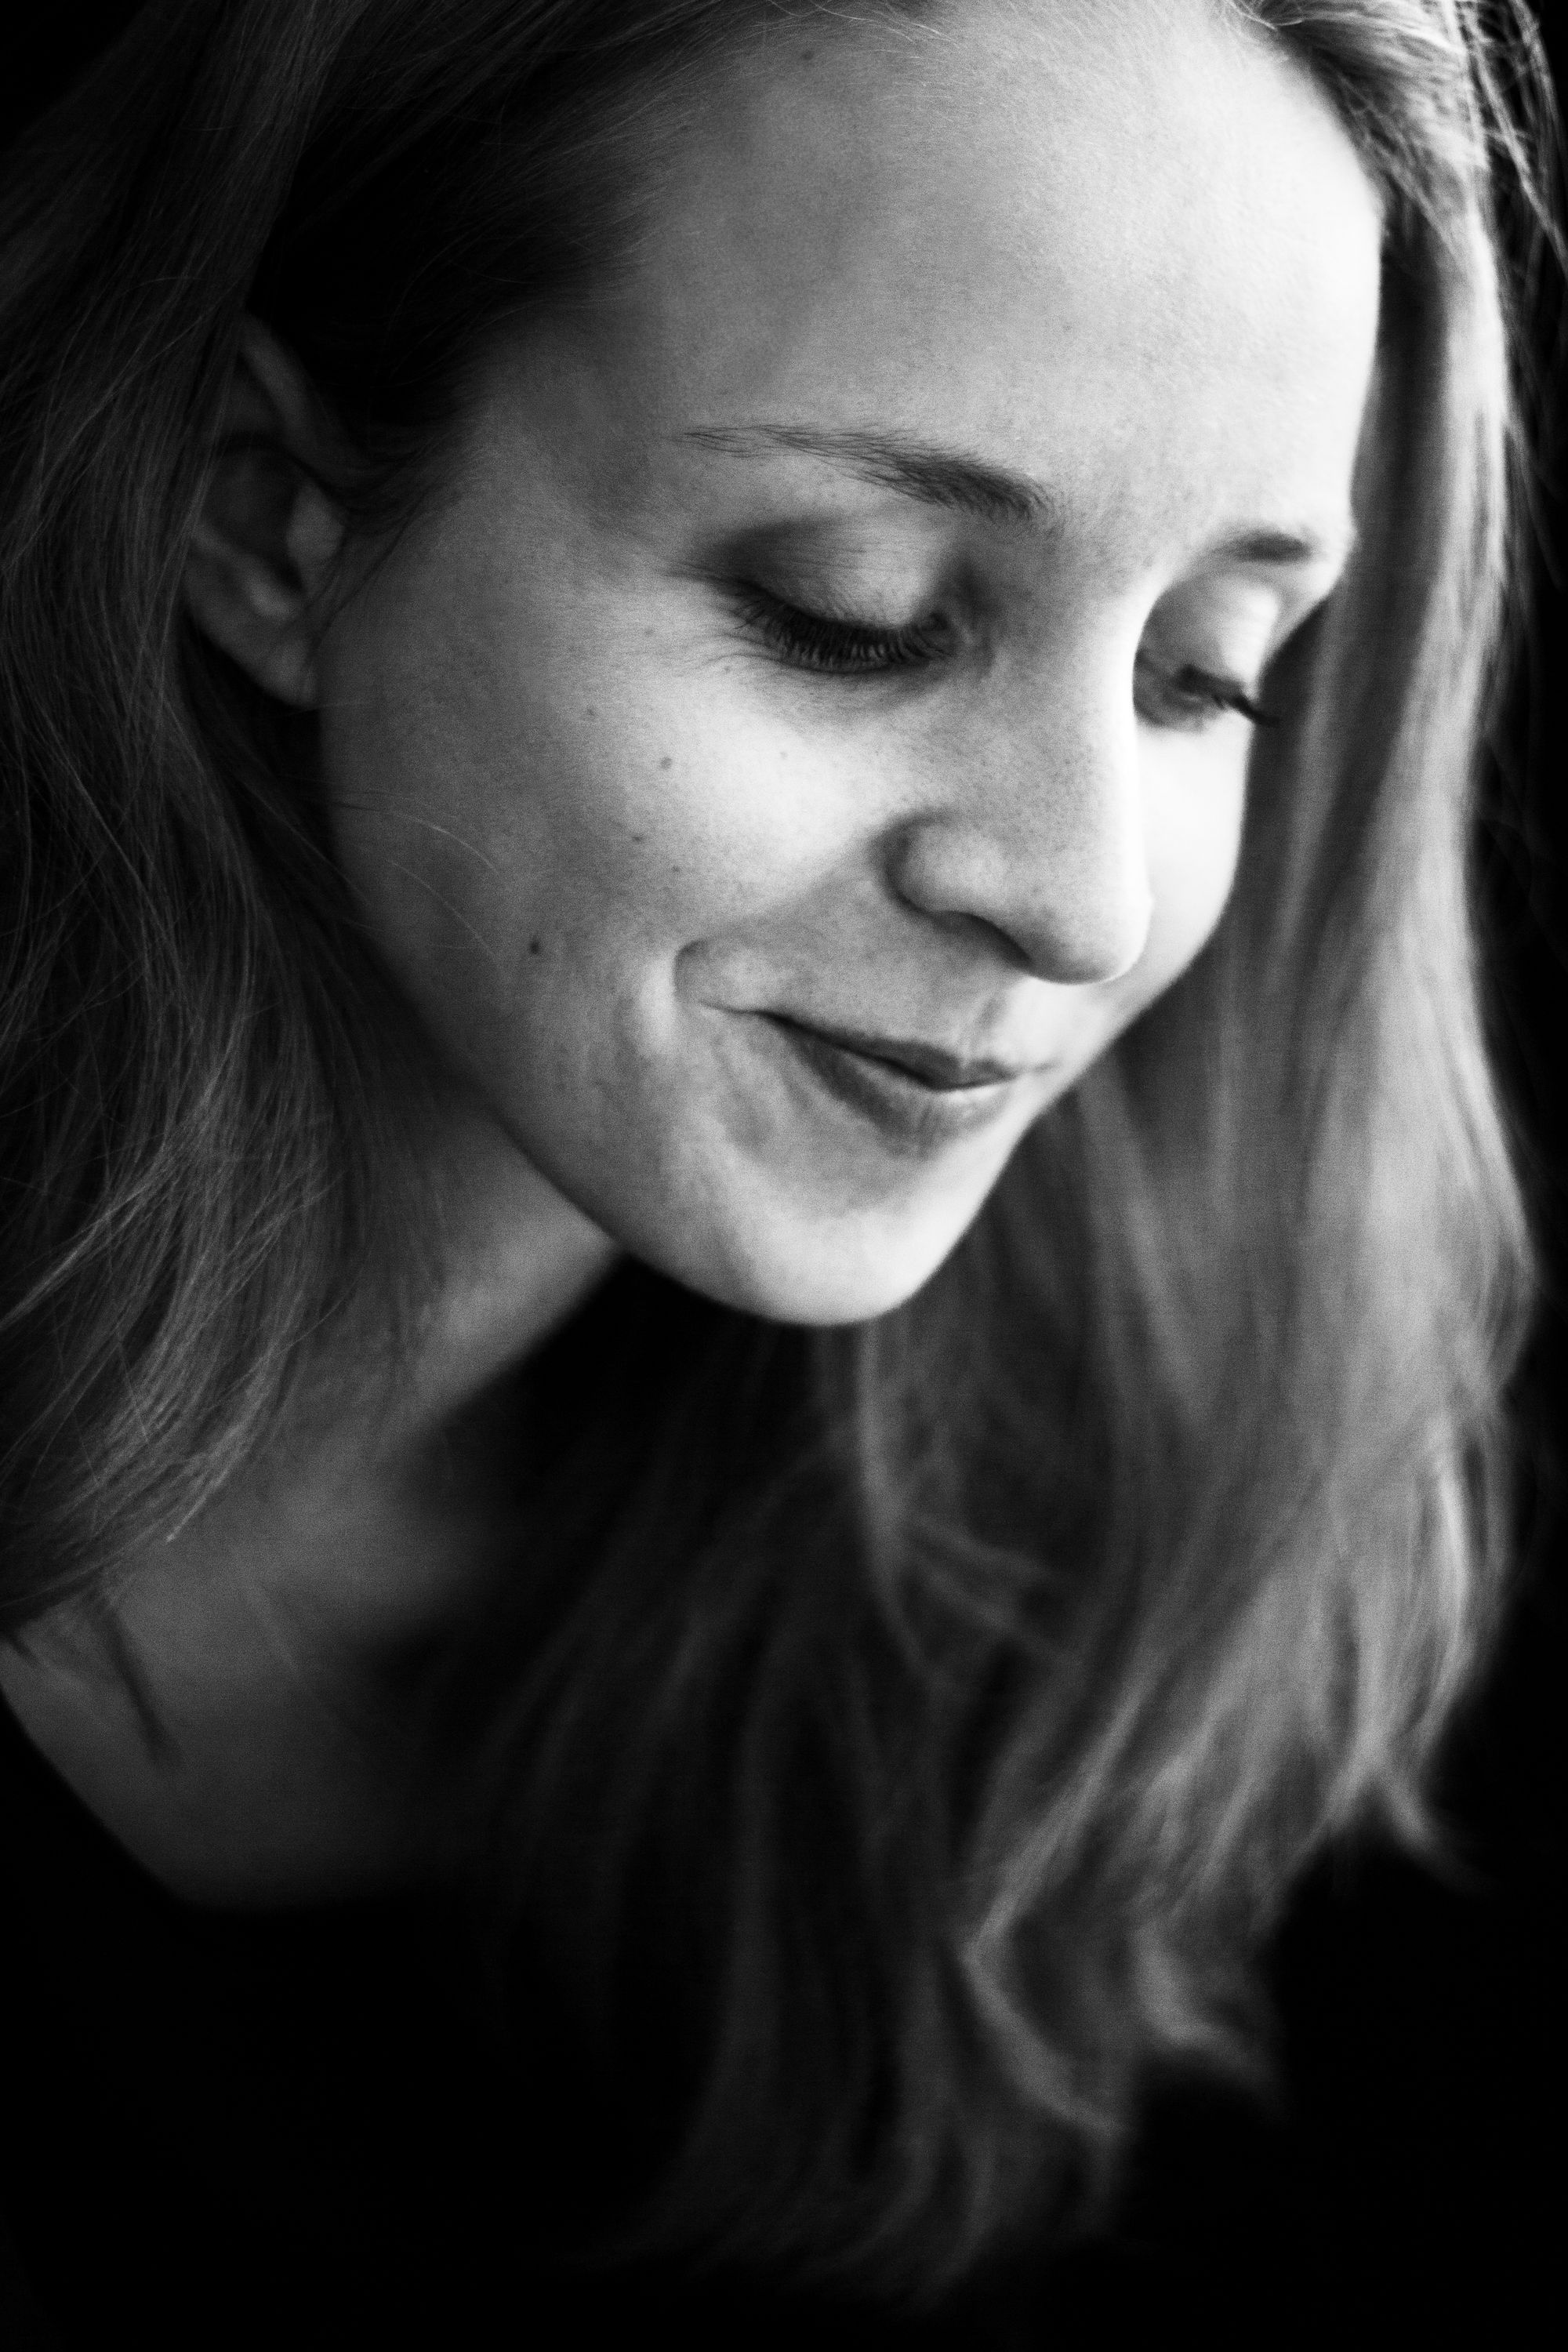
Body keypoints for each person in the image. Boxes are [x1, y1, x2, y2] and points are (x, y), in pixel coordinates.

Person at [0, 0, 1555, 2340]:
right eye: (857, 612)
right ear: (265, 519)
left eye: (1205, 669)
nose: (1086, 897)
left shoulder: (1101, 1707)